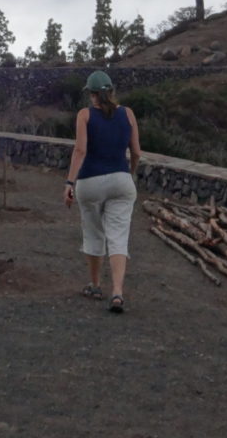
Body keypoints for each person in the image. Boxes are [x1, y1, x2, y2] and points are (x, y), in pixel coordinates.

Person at [63, 70, 142, 314]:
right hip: (122, 180)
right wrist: (130, 173)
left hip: (90, 182)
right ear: (112, 92)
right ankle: (117, 292)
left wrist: (69, 182)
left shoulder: (84, 115)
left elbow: (80, 150)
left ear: (92, 94)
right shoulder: (127, 114)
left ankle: (96, 285)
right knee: (119, 236)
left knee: (94, 232)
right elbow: (137, 152)